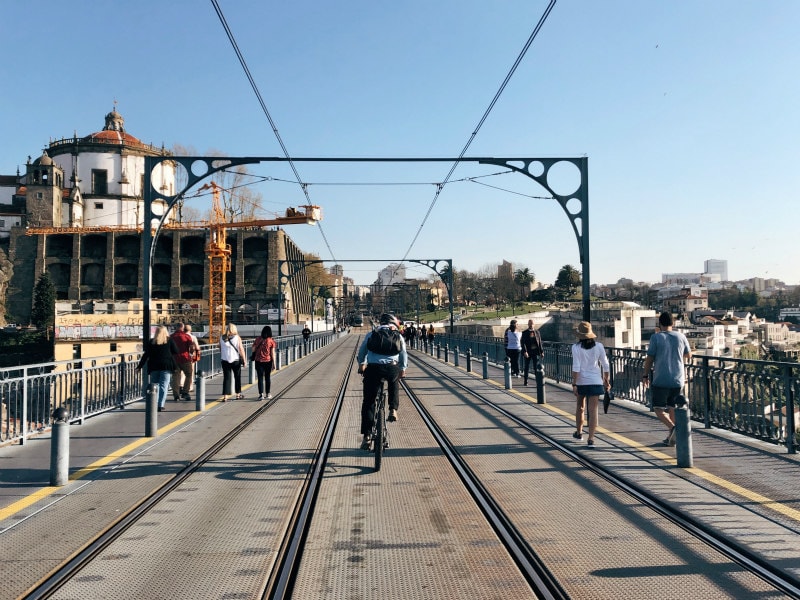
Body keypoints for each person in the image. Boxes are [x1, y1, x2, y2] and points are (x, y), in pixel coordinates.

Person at [356, 313, 408, 450]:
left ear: (381, 322)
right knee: (394, 383)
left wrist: (362, 364)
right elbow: (403, 354)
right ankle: (392, 409)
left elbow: (362, 352)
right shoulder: (398, 335)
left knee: (368, 401)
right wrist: (402, 369)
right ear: (393, 323)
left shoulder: (372, 333)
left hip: (373, 369)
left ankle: (367, 436)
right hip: (391, 368)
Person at [642, 311, 692, 446]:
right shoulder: (681, 336)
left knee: (658, 409)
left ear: (660, 324)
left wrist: (645, 375)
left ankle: (672, 428)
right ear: (673, 323)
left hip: (661, 378)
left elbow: (650, 358)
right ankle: (672, 438)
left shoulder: (656, 338)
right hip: (678, 379)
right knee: (673, 408)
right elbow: (688, 355)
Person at [571, 321, 610, 447]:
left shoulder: (576, 348)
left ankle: (579, 432)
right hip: (595, 381)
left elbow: (576, 367)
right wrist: (606, 379)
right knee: (593, 410)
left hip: (581, 382)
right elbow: (605, 364)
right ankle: (591, 439)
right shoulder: (599, 346)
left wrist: (574, 383)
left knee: (580, 407)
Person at [136, 325, 179, 412]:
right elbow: (176, 351)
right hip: (166, 366)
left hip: (154, 366)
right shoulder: (169, 341)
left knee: (154, 385)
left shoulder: (152, 342)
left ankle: (154, 403)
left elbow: (145, 355)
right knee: (164, 385)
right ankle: (160, 405)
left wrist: (139, 366)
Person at [219, 323, 247, 401]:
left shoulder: (221, 337)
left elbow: (220, 348)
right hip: (235, 360)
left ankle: (225, 396)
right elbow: (241, 349)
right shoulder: (237, 337)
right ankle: (238, 394)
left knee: (226, 378)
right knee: (237, 377)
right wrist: (244, 360)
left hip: (225, 360)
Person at [170, 322, 195, 401]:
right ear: (182, 328)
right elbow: (191, 348)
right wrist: (191, 353)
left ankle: (176, 395)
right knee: (189, 374)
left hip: (174, 360)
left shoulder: (171, 337)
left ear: (175, 328)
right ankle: (185, 392)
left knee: (175, 377)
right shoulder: (187, 336)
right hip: (185, 359)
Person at [251, 325, 277, 400]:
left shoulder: (258, 339)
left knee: (260, 378)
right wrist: (274, 364)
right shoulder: (271, 341)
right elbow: (272, 353)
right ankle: (268, 394)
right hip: (268, 361)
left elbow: (253, 349)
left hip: (258, 361)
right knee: (267, 377)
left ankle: (261, 395)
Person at [520, 319, 544, 386]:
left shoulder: (537, 332)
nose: (531, 325)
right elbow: (523, 343)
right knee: (526, 366)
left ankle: (537, 381)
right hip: (528, 352)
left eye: (532, 324)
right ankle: (525, 380)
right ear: (528, 324)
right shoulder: (524, 333)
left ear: (534, 324)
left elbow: (539, 343)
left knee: (536, 367)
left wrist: (541, 351)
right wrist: (525, 351)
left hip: (535, 352)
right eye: (530, 323)